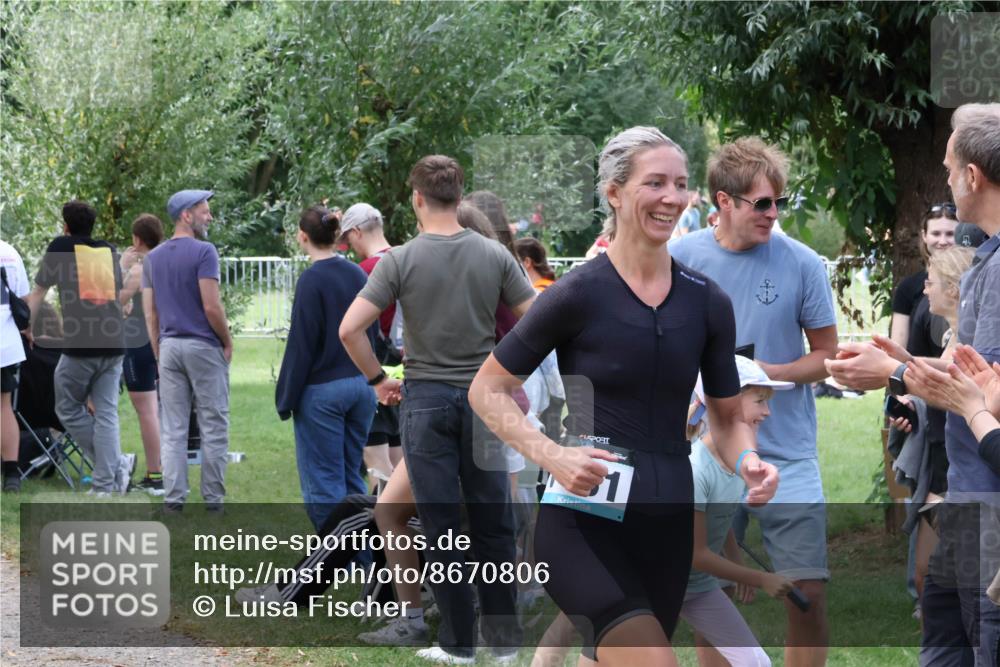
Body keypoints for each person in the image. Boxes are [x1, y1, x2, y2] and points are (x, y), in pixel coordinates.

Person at [469, 127, 778, 667]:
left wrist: (749, 462)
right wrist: (553, 455)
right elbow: (487, 388)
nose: (672, 198)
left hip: (667, 524)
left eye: (680, 184)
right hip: (583, 521)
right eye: (654, 182)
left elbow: (727, 422)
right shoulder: (576, 294)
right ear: (614, 192)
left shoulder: (708, 304)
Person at [340, 155, 535, 664]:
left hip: (425, 399)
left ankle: (457, 644)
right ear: (459, 193)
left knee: (442, 521)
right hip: (483, 398)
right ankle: (506, 642)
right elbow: (537, 320)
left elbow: (349, 329)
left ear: (417, 198)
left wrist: (379, 380)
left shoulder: (400, 260)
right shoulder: (494, 255)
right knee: (493, 521)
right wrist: (505, 374)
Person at [825, 102, 1000, 667]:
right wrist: (901, 358)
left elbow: (988, 396)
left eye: (949, 169)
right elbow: (971, 378)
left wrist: (895, 373)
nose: (947, 180)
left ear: (972, 175)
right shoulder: (986, 262)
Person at [669, 136, 839, 667]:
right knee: (706, 594)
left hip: (786, 450)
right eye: (761, 203)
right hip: (704, 455)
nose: (773, 214)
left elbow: (827, 355)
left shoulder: (802, 263)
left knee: (807, 592)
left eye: (778, 202)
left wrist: (765, 374)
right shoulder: (678, 257)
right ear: (723, 201)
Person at [681, 355, 795, 667]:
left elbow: (718, 518)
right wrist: (760, 578)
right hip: (655, 586)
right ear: (725, 403)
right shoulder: (694, 468)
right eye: (760, 400)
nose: (767, 412)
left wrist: (735, 560)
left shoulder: (736, 464)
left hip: (696, 586)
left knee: (756, 663)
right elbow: (697, 554)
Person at [275, 206, 377, 531]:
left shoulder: (311, 280)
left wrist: (286, 396)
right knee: (352, 477)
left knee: (323, 484)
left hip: (323, 392)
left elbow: (302, 344)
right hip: (360, 386)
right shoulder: (357, 274)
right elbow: (371, 332)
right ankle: (363, 558)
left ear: (302, 237)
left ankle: (338, 561)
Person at [25, 200, 136, 496]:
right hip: (113, 343)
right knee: (107, 413)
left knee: (66, 407)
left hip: (82, 345)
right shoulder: (105, 251)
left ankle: (112, 467)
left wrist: (26, 328)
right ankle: (106, 483)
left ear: (66, 225)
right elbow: (112, 297)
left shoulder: (61, 246)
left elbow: (38, 293)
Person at [143, 190, 232, 511]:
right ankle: (213, 501)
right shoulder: (204, 252)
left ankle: (174, 500)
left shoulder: (153, 258)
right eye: (204, 211)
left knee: (174, 428)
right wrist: (227, 340)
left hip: (169, 346)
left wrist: (158, 349)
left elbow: (150, 313)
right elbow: (211, 306)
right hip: (202, 346)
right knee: (213, 424)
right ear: (186, 215)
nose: (209, 217)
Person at [337, 202, 403, 481]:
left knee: (375, 459)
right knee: (401, 459)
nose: (349, 246)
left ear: (356, 232)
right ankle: (412, 520)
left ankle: (385, 522)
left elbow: (351, 329)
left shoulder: (363, 271)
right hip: (407, 371)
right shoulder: (406, 259)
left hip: (376, 373)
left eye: (348, 238)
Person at [118, 214, 165, 495]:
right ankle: (158, 471)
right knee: (155, 410)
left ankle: (155, 476)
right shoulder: (164, 262)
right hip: (159, 339)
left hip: (137, 343)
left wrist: (121, 266)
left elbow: (111, 302)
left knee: (147, 411)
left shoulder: (139, 269)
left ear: (137, 239)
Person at [889, 204, 958, 355]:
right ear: (924, 236)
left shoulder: (974, 281)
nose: (943, 241)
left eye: (950, 234)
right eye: (936, 233)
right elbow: (897, 346)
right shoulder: (907, 287)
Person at [1, 240, 30, 492]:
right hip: (5, 342)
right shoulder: (9, 252)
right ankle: (11, 475)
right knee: (4, 406)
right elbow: (24, 299)